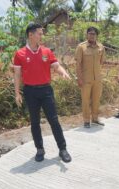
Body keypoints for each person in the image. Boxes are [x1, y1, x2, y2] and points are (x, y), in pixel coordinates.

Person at [13, 23, 72, 163]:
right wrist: (17, 93)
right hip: (30, 92)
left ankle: (62, 149)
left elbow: (56, 66)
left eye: (42, 33)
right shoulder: (20, 54)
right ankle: (40, 149)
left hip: (46, 91)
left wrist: (63, 72)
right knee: (34, 122)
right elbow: (16, 75)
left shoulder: (46, 51)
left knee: (54, 120)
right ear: (30, 35)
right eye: (39, 33)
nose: (42, 36)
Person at [75, 27, 105, 128]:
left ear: (97, 35)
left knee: (96, 99)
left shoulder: (101, 47)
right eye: (90, 33)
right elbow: (78, 64)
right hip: (85, 79)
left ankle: (95, 119)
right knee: (86, 100)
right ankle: (87, 120)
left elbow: (101, 62)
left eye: (94, 34)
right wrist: (79, 78)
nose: (92, 36)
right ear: (87, 34)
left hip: (97, 79)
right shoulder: (81, 47)